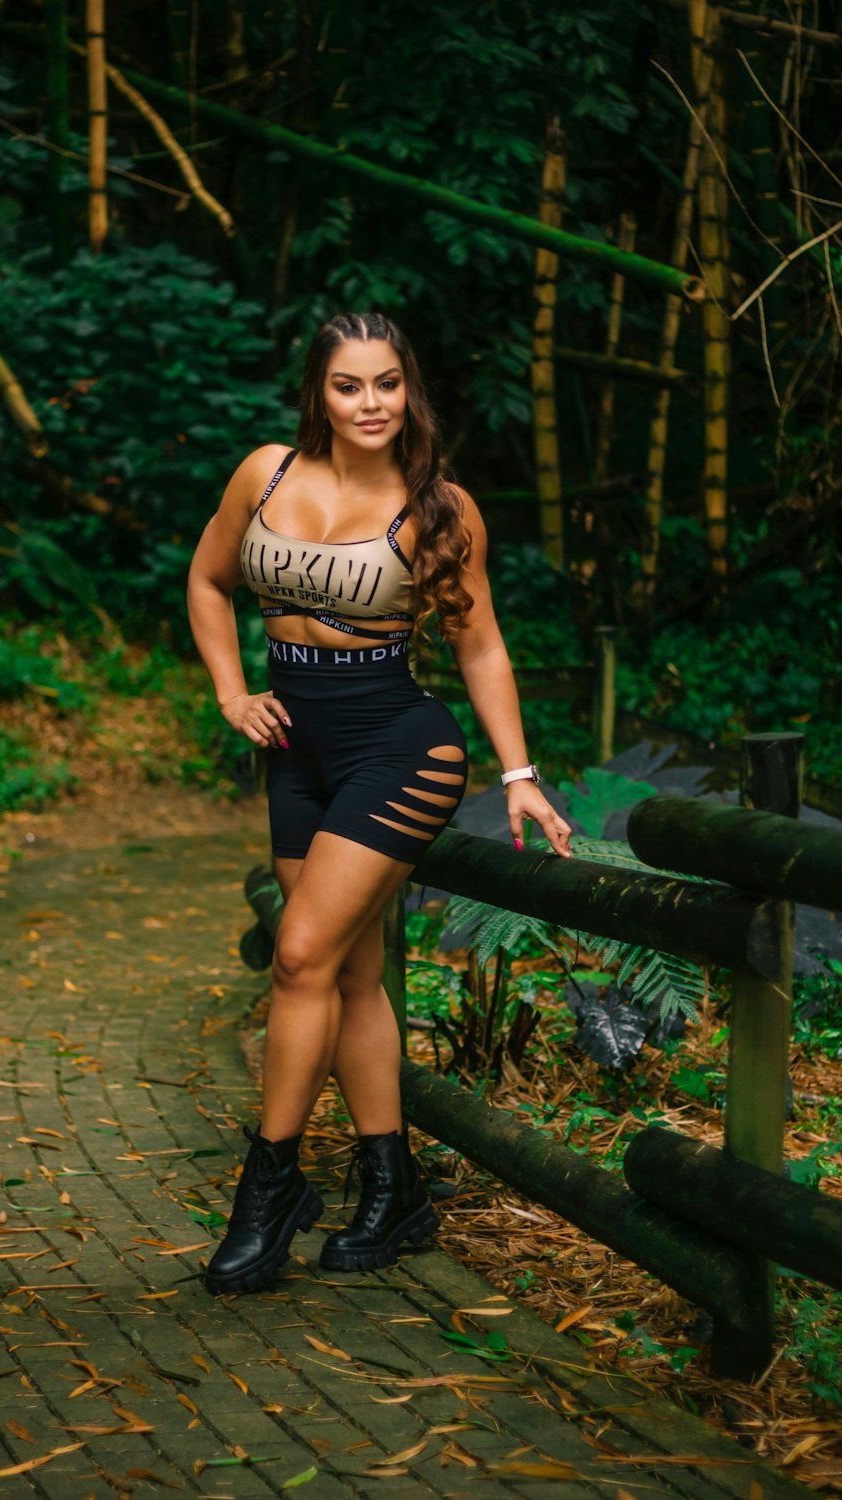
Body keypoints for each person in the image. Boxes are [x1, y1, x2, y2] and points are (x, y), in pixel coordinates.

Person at [187, 311, 573, 1297]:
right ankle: (391, 1187)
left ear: (411, 392)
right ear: (318, 392)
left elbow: (479, 643)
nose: (370, 404)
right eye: (349, 385)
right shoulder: (264, 474)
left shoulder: (439, 508)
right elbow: (207, 578)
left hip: (398, 746)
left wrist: (518, 773)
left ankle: (265, 1196)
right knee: (351, 977)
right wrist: (233, 692)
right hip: (298, 753)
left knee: (300, 956)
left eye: (388, 384)